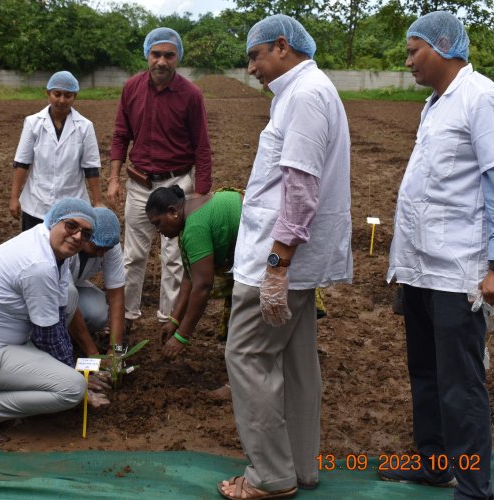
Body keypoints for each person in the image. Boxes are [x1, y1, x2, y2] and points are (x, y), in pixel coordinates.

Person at [381, 12, 494, 500]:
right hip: (421, 267)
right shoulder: (434, 104)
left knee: (460, 385)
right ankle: (435, 463)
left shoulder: (482, 99)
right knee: (425, 373)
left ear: (443, 47)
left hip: (459, 270)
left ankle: (473, 488)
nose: (408, 62)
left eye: (413, 51)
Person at [218, 15, 352, 499]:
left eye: (254, 56)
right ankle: (300, 467)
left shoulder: (305, 95)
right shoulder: (304, 92)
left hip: (278, 260)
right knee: (296, 362)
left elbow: (300, 187)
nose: (250, 67)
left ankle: (270, 476)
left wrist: (276, 265)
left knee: (247, 355)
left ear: (280, 47)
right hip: (294, 259)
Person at [0, 198, 109, 443]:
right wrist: (78, 378)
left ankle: (31, 380)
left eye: (86, 233)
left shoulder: (47, 243)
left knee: (68, 296)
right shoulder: (38, 265)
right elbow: (49, 336)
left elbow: (57, 319)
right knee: (71, 390)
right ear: (54, 221)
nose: (78, 237)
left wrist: (76, 365)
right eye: (71, 226)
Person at [108, 27, 212, 334]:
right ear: (147, 56)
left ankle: (169, 318)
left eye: (169, 55)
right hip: (139, 184)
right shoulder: (131, 88)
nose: (162, 62)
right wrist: (114, 177)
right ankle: (126, 316)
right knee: (133, 254)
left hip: (177, 185)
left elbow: (202, 148)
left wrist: (201, 197)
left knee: (175, 257)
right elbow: (119, 135)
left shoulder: (191, 95)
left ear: (177, 57)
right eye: (156, 54)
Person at [145, 186, 242, 359]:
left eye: (157, 223)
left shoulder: (194, 228)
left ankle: (238, 382)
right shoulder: (191, 209)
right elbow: (189, 275)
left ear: (172, 211)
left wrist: (182, 336)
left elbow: (203, 285)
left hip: (265, 253)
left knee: (248, 330)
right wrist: (174, 320)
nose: (158, 230)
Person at [10, 71, 102, 231]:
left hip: (73, 205)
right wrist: (14, 197)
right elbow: (22, 162)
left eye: (68, 95)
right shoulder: (33, 123)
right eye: (57, 94)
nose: (62, 100)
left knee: (68, 251)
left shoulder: (85, 126)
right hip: (36, 204)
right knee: (35, 251)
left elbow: (91, 167)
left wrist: (97, 202)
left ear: (75, 96)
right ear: (48, 94)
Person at [65, 207, 126, 355]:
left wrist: (115, 350)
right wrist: (93, 353)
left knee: (98, 314)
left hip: (74, 286)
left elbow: (117, 296)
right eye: (96, 248)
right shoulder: (67, 244)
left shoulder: (110, 244)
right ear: (85, 235)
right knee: (64, 308)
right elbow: (66, 299)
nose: (101, 254)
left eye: (105, 250)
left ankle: (74, 336)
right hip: (49, 292)